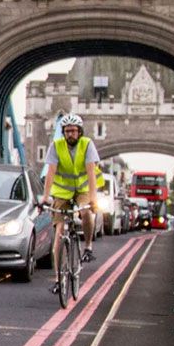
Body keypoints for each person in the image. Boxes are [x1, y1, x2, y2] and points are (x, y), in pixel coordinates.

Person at [42, 113, 100, 291]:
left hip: (83, 190)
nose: (70, 134)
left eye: (74, 131)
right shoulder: (56, 146)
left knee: (86, 212)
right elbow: (50, 172)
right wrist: (45, 197)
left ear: (80, 132)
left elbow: (91, 173)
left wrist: (93, 199)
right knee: (59, 232)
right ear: (63, 132)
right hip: (62, 192)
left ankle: (88, 247)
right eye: (67, 131)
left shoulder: (87, 144)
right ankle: (59, 280)